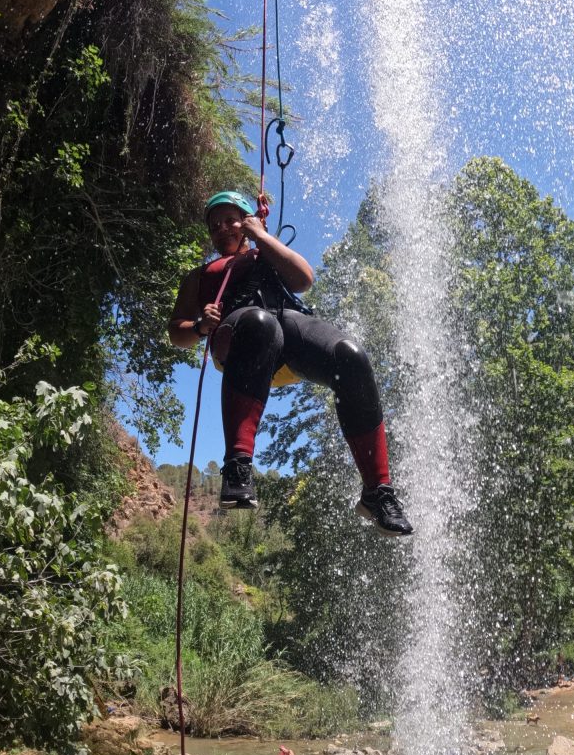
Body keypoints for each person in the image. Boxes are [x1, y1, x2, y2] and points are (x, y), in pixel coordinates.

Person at [168, 191, 413, 537]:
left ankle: (378, 492)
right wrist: (197, 326)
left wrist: (262, 237)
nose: (223, 228)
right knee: (259, 324)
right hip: (243, 340)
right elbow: (176, 331)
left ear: (247, 220)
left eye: (231, 220)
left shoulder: (263, 252)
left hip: (289, 330)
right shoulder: (200, 276)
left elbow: (303, 279)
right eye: (215, 225)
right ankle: (237, 467)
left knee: (351, 356)